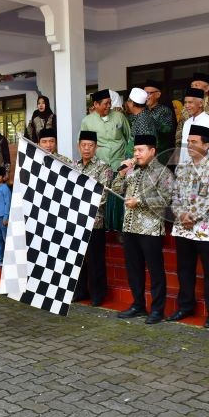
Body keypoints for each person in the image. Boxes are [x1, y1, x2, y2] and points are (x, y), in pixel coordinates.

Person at [167, 125, 209, 328]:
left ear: (207, 145)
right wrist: (181, 214)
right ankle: (185, 306)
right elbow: (173, 196)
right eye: (188, 141)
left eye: (194, 142)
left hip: (206, 228)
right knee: (184, 269)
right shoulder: (182, 167)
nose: (189, 145)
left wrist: (194, 216)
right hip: (183, 226)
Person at [112, 135, 174, 324]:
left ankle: (157, 309)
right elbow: (114, 189)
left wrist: (139, 202)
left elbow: (166, 199)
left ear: (152, 151)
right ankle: (138, 305)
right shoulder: (132, 171)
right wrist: (122, 174)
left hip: (150, 229)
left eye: (140, 150)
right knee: (134, 269)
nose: (136, 154)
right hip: (130, 227)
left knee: (155, 271)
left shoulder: (164, 173)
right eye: (135, 150)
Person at [72, 130, 114, 306]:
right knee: (78, 259)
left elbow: (102, 196)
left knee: (95, 260)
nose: (87, 149)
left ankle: (98, 294)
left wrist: (80, 203)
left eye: (90, 145)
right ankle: (80, 291)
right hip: (75, 221)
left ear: (96, 147)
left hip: (94, 221)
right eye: (84, 145)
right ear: (79, 146)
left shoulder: (104, 168)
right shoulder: (74, 166)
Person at [80, 89, 130, 233]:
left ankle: (120, 230)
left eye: (110, 103)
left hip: (118, 163)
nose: (109, 106)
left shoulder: (119, 117)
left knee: (119, 197)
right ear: (95, 104)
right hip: (100, 167)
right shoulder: (87, 121)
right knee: (102, 197)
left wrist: (127, 157)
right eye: (105, 104)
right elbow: (83, 141)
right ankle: (105, 227)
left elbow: (129, 136)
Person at [178, 88, 209, 164]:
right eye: (185, 102)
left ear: (201, 103)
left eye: (190, 102)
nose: (187, 106)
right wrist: (180, 166)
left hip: (204, 170)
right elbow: (183, 150)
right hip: (186, 168)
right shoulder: (187, 123)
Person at [144, 80, 176, 166]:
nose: (146, 96)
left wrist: (153, 121)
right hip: (144, 152)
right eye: (144, 93)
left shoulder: (164, 110)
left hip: (160, 152)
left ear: (158, 94)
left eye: (149, 93)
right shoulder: (142, 111)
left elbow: (168, 129)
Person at [125, 88, 157, 158]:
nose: (127, 103)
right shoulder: (142, 115)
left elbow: (141, 148)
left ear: (132, 103)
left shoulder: (142, 120)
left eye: (128, 101)